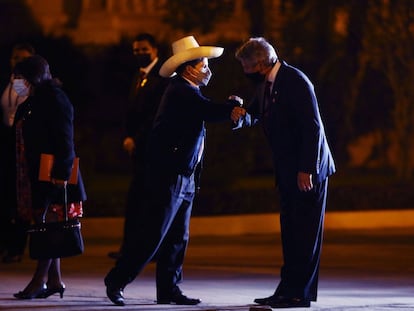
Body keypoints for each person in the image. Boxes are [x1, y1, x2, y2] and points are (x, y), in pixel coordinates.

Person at [104, 35, 245, 306]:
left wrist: (231, 108)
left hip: (185, 176)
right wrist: (232, 108)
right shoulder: (180, 90)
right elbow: (209, 111)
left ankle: (169, 289)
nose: (208, 70)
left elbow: (205, 111)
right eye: (204, 65)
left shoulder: (189, 90)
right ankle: (117, 280)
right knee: (152, 235)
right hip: (169, 177)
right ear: (189, 68)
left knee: (178, 237)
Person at [233, 37, 336, 308]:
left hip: (307, 171)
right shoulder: (268, 84)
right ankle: (287, 289)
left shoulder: (295, 81)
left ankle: (297, 294)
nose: (246, 73)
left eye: (247, 67)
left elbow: (312, 127)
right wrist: (240, 116)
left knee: (304, 233)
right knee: (290, 232)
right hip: (289, 170)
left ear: (263, 63)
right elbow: (255, 113)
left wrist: (307, 169)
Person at [11, 55, 87, 299]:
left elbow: (65, 139)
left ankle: (38, 281)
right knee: (47, 226)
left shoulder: (54, 99)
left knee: (48, 227)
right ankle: (54, 281)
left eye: (20, 77)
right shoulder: (32, 100)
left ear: (32, 76)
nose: (16, 82)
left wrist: (62, 174)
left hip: (53, 175)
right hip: (35, 174)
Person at [108, 33, 169, 260]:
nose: (140, 54)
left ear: (155, 50)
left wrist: (137, 138)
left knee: (150, 200)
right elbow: (131, 112)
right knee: (135, 199)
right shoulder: (138, 76)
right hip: (137, 149)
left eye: (144, 50)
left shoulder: (163, 77)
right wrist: (127, 136)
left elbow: (155, 115)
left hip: (152, 148)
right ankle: (130, 248)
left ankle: (146, 249)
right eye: (136, 51)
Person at [0, 43, 35, 263]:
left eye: (23, 58)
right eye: (15, 57)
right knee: (5, 197)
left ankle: (17, 247)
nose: (18, 61)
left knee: (21, 199)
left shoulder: (35, 87)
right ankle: (6, 243)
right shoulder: (8, 83)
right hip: (6, 145)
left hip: (25, 148)